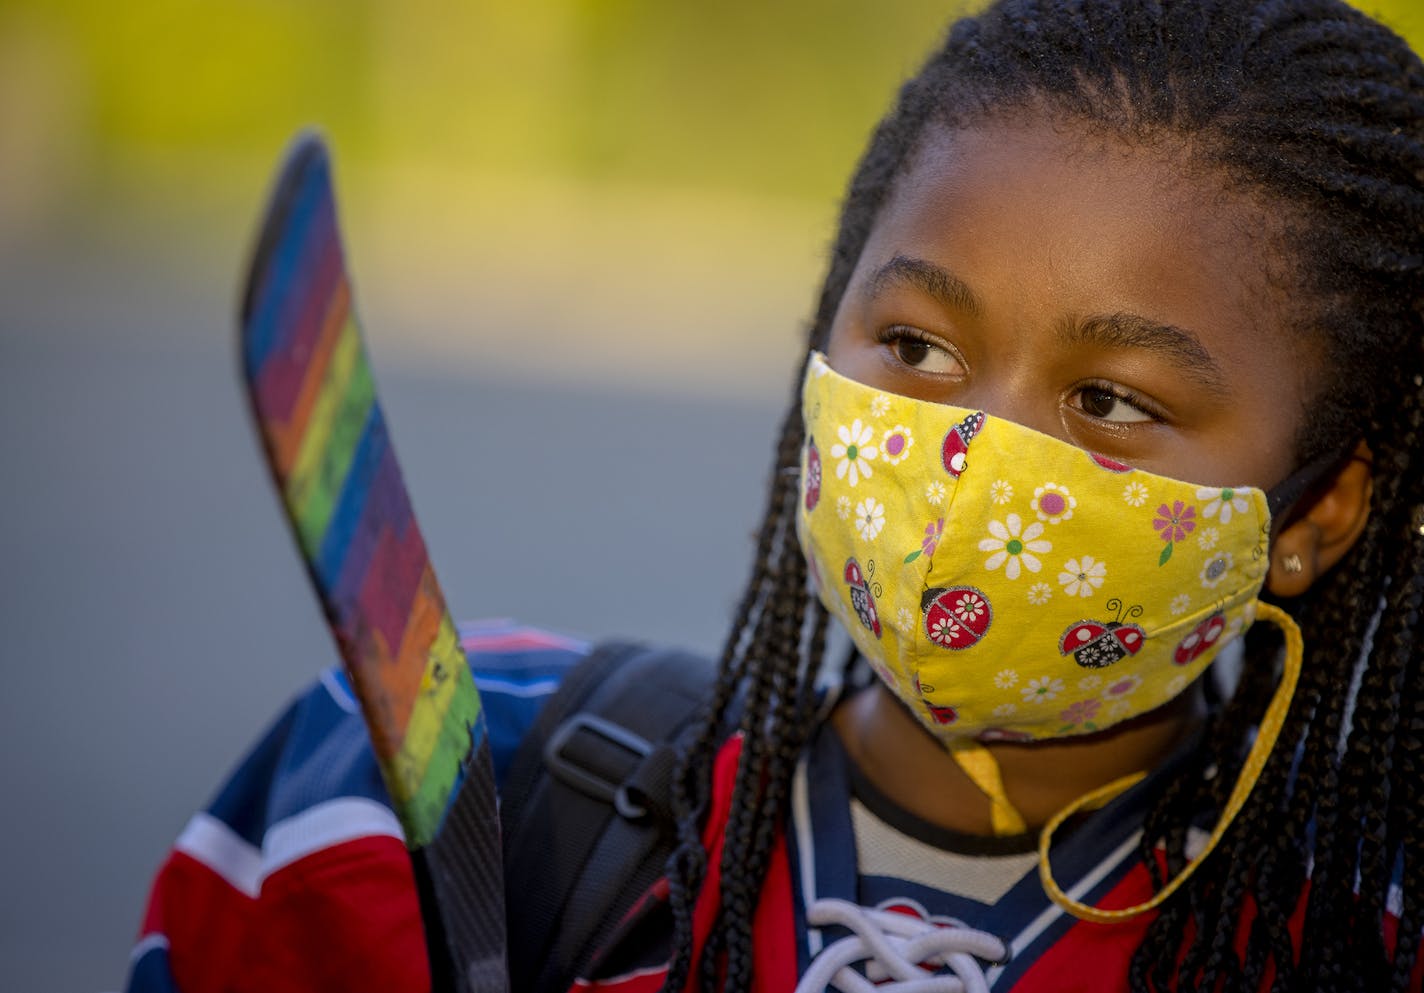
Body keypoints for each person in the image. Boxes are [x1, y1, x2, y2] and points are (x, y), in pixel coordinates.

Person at [126, 0, 1424, 990]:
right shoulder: (412, 799)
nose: (973, 455)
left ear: (1316, 513)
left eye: (1113, 402)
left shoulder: (1354, 950)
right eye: (917, 348)